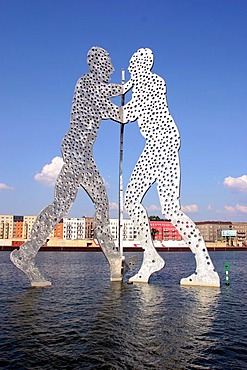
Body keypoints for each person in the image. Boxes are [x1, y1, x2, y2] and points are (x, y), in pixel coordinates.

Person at [10, 46, 129, 286]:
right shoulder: (87, 83)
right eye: (108, 64)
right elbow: (107, 93)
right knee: (67, 205)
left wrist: (131, 104)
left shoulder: (97, 95)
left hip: (84, 155)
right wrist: (128, 86)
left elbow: (119, 114)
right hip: (76, 152)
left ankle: (114, 259)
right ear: (97, 64)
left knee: (93, 204)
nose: (113, 69)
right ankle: (25, 253)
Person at [123, 48, 220, 286]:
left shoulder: (149, 83)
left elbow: (129, 113)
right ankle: (205, 267)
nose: (133, 71)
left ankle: (151, 257)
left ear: (139, 67)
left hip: (159, 145)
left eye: (134, 67)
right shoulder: (152, 82)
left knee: (131, 200)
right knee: (171, 209)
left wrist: (104, 108)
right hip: (166, 143)